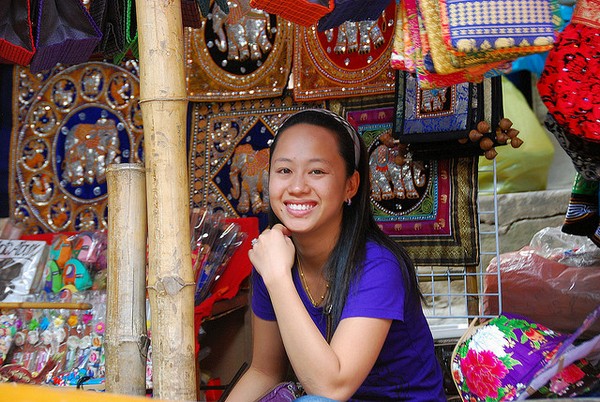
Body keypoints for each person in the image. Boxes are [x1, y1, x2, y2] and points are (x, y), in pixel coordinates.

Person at [225, 109, 446, 401]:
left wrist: (278, 278)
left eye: (317, 171)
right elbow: (266, 372)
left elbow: (331, 389)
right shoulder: (273, 259)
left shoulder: (378, 266)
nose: (298, 186)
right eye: (284, 170)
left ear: (350, 186)